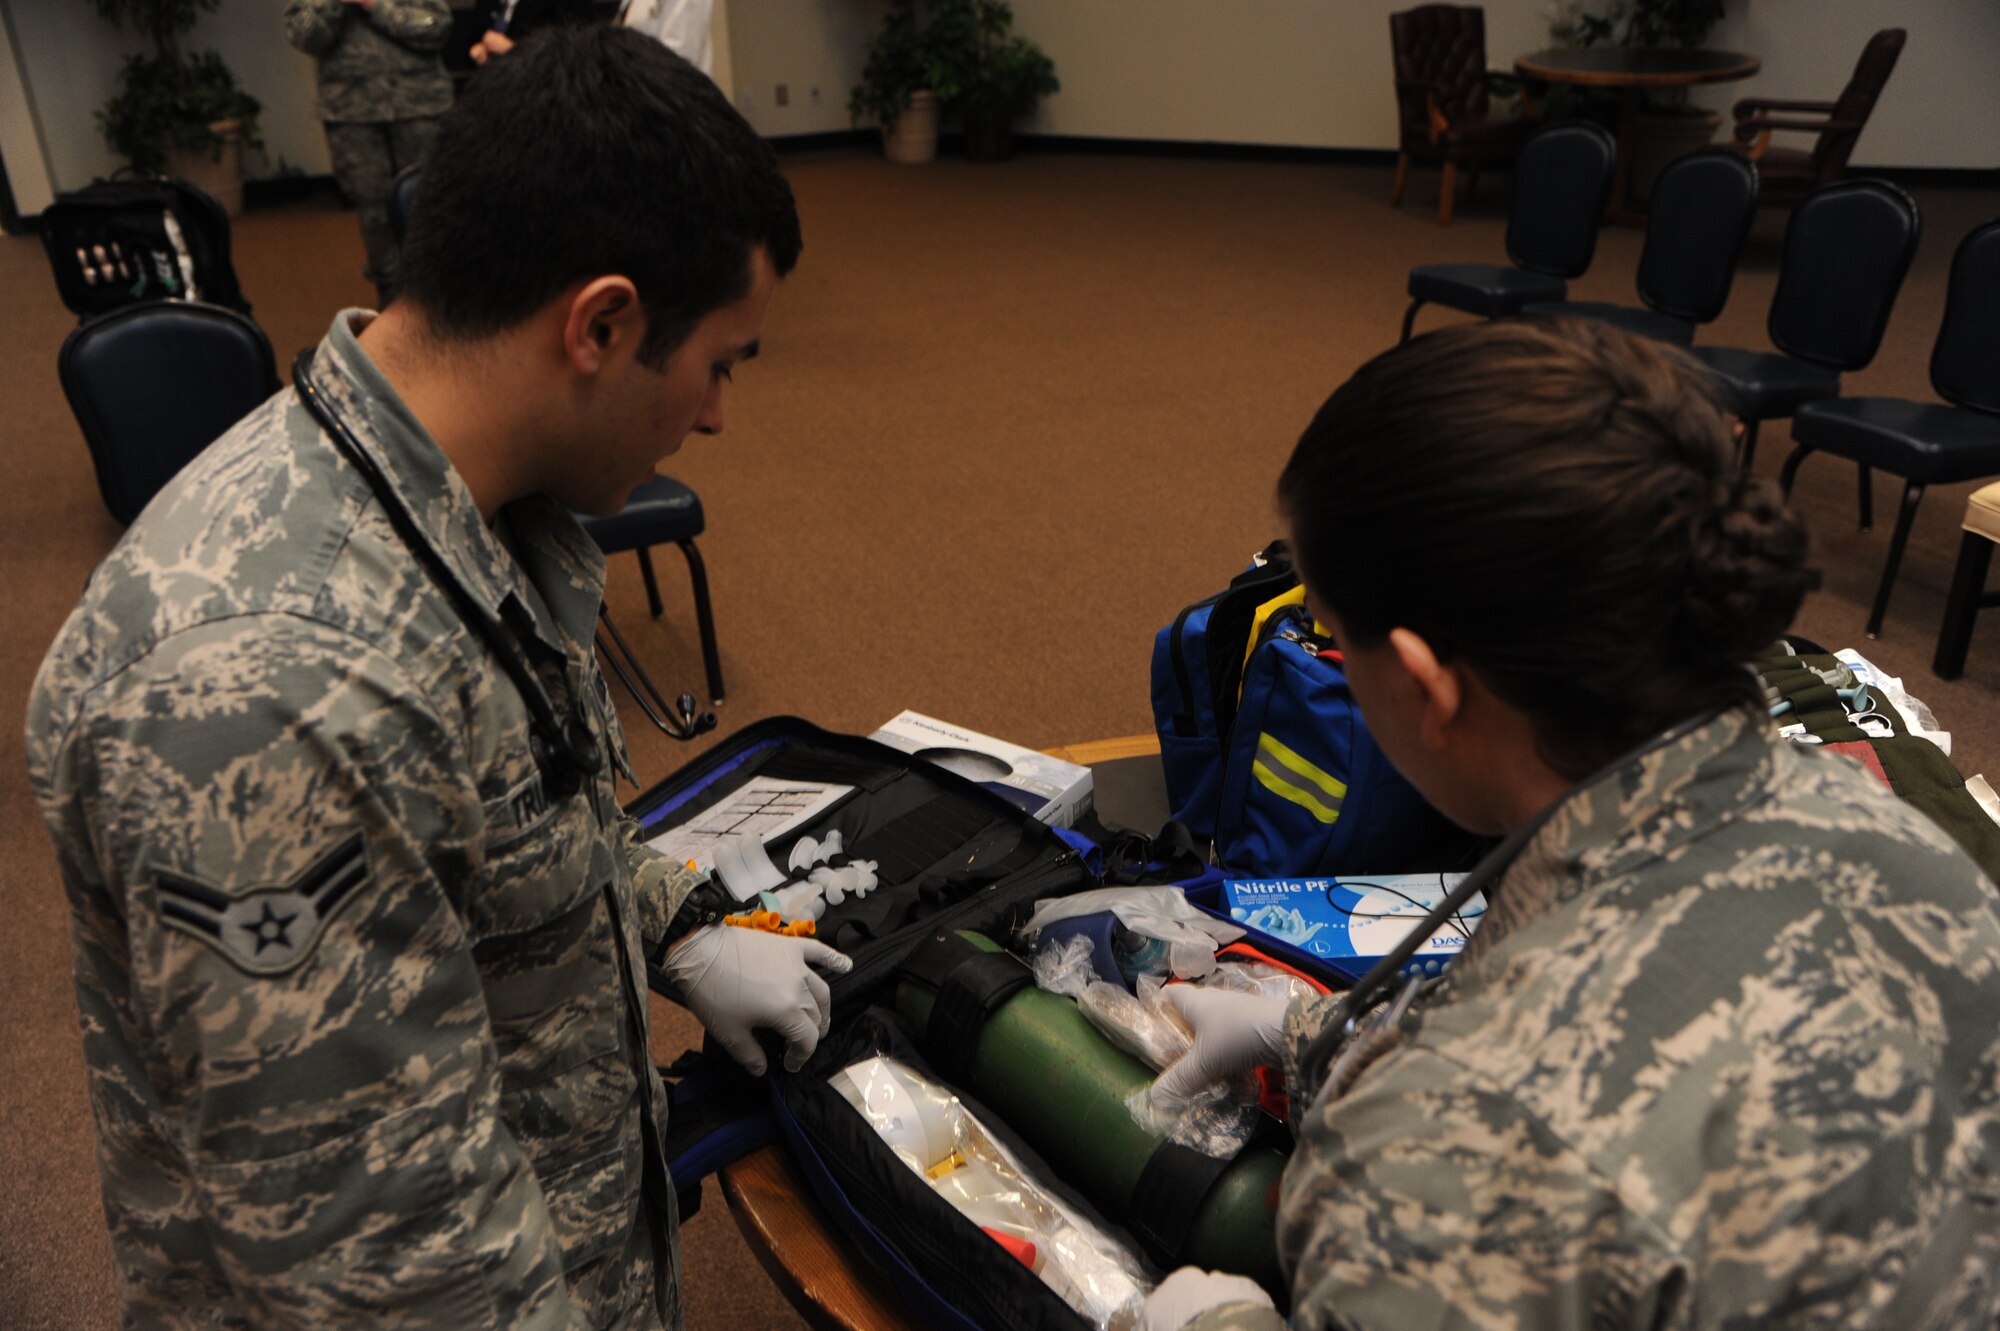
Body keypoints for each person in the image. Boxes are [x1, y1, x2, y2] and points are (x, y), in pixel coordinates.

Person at [26, 28, 825, 1330]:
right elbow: (390, 1273)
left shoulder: (469, 505)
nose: (718, 416)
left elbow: (516, 824)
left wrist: (673, 919)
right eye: (719, 363)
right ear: (603, 323)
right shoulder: (268, 687)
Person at [1141, 318, 2000, 1330]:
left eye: (1335, 635)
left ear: (1425, 684)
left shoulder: (1437, 1151)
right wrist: (1315, 1035)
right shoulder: (1896, 831)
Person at [285, 0, 454, 302]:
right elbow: (304, 36)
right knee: (373, 211)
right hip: (352, 113)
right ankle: (391, 301)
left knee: (431, 203)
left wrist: (374, 6)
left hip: (419, 106)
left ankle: (439, 301)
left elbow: (437, 28)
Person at [469, 0, 597, 66]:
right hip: (491, 89)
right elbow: (475, 34)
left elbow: (577, 53)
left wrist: (514, 50)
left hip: (541, 99)